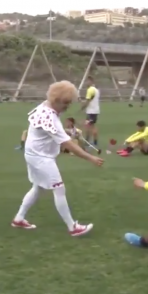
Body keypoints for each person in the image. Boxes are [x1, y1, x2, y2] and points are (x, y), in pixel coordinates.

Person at [12, 80, 103, 236]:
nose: (67, 107)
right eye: (65, 103)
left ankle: (19, 218)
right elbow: (68, 144)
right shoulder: (50, 118)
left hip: (33, 154)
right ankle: (72, 227)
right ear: (56, 100)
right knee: (59, 189)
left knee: (38, 187)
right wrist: (90, 158)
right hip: (41, 158)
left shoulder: (44, 106)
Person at [80, 77, 100, 149]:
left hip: (91, 111)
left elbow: (88, 101)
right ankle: (95, 142)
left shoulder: (90, 90)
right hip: (95, 111)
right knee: (93, 126)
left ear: (91, 81)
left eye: (87, 81)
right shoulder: (96, 90)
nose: (86, 83)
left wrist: (82, 107)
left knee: (88, 126)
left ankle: (87, 142)